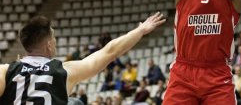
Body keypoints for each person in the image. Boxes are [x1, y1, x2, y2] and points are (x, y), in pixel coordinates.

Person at [0, 13, 165, 104]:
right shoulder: (64, 71)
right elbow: (110, 51)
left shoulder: (6, 71)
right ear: (49, 45)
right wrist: (140, 31)